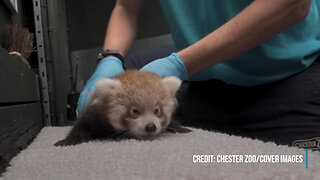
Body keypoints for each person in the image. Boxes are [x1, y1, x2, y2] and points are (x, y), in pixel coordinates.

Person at [77, 0, 320, 149]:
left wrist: (180, 63)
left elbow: (293, 3)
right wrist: (111, 58)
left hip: (286, 83)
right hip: (202, 89)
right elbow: (126, 8)